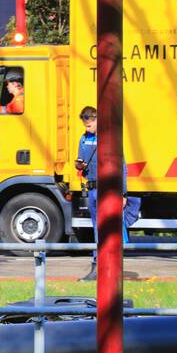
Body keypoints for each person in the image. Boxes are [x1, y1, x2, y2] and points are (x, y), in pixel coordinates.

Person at [75, 106, 130, 282]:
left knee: (109, 229)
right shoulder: (84, 138)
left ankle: (111, 268)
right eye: (85, 125)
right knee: (97, 229)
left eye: (90, 125)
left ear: (98, 120)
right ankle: (97, 266)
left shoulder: (109, 139)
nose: (87, 128)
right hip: (92, 189)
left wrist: (123, 193)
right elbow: (82, 164)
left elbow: (121, 167)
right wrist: (80, 167)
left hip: (107, 190)